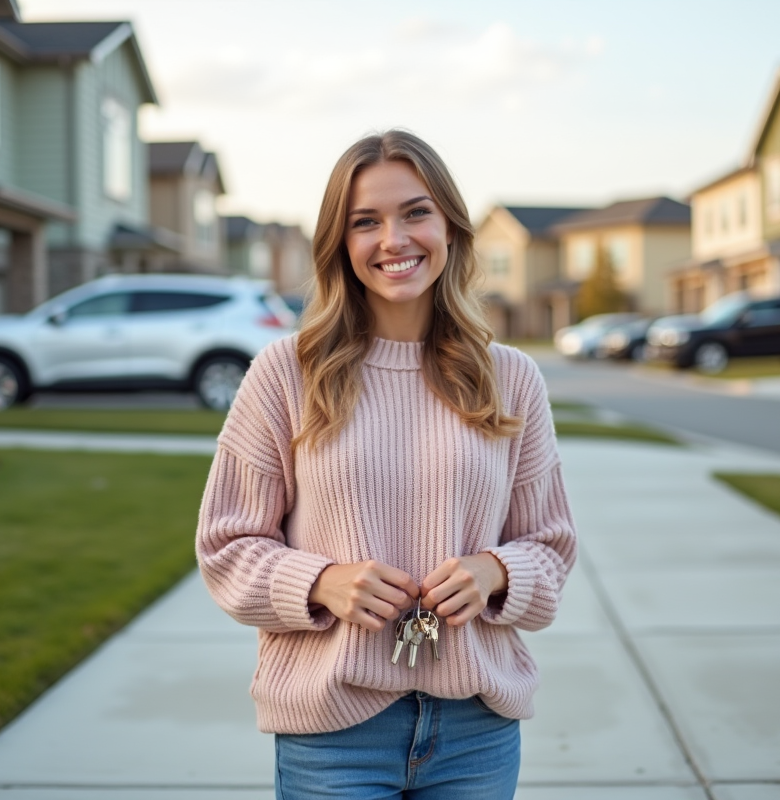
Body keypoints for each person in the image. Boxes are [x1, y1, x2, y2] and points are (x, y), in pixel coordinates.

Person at [196, 129, 577, 799]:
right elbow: (225, 547)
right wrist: (321, 581)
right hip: (334, 734)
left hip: (477, 731)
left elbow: (550, 549)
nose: (393, 239)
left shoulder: (510, 379)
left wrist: (495, 571)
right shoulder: (285, 376)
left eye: (415, 212)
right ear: (339, 245)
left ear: (451, 228)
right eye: (365, 221)